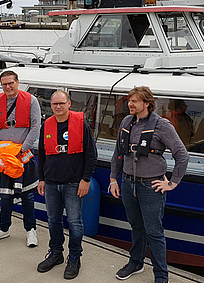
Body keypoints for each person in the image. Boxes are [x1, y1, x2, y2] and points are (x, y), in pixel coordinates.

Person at [109, 86, 190, 283]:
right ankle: (136, 262)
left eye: (134, 101)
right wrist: (113, 179)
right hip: (128, 184)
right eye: (129, 100)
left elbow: (182, 155)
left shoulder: (162, 126)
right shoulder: (126, 122)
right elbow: (118, 153)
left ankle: (161, 276)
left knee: (154, 232)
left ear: (147, 103)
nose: (130, 104)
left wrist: (172, 183)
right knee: (136, 226)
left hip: (150, 188)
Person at [36, 90, 97, 279]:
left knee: (74, 222)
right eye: (54, 104)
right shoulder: (46, 125)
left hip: (73, 182)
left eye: (61, 103)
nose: (58, 107)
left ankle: (74, 257)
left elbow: (90, 155)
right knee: (53, 220)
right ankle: (56, 253)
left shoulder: (81, 125)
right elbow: (42, 155)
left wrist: (85, 179)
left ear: (69, 104)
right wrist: (41, 179)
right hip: (52, 183)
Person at [0, 70, 41, 247]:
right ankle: (3, 229)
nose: (8, 87)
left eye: (11, 83)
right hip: (4, 158)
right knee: (5, 195)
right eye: (4, 84)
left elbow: (35, 127)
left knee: (27, 196)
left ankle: (30, 230)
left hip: (23, 157)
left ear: (18, 82)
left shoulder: (31, 101)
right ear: (1, 86)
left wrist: (22, 150)